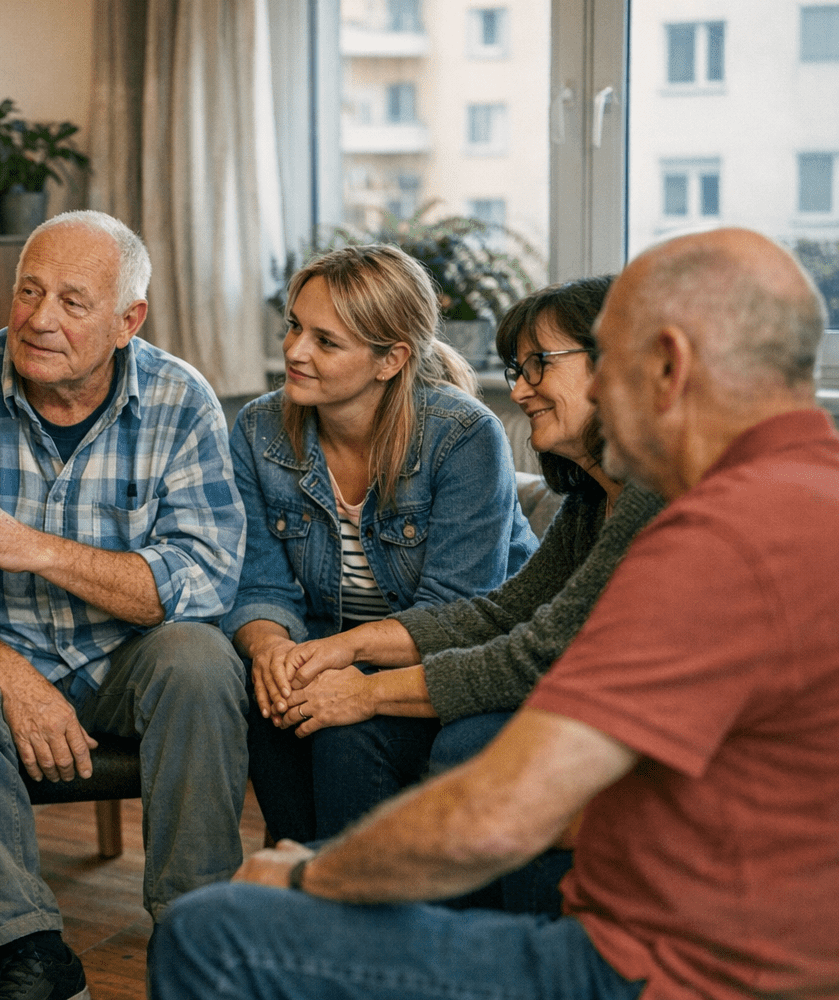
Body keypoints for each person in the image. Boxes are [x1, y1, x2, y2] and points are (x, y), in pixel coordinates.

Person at [148, 227, 839, 1000]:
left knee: (210, 932)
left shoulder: (718, 538)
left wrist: (309, 874)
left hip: (660, 968)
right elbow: (520, 623)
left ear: (668, 366)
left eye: (602, 363)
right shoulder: (803, 494)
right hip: (691, 929)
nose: (539, 390)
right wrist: (350, 653)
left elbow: (497, 814)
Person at [0, 211, 248, 1000]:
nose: (38, 319)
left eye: (73, 301)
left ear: (127, 320)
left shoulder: (180, 400)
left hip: (125, 662)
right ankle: (30, 950)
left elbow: (205, 578)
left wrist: (34, 547)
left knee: (202, 659)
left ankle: (195, 930)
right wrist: (10, 676)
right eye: (28, 291)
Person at [253, 276, 666, 914]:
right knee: (309, 717)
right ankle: (342, 931)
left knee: (466, 742)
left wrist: (365, 688)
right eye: (516, 368)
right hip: (572, 700)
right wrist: (346, 648)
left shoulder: (651, 493)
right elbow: (502, 612)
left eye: (539, 365)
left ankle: (461, 950)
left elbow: (535, 654)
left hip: (642, 727)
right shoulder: (591, 499)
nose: (522, 388)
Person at [226, 243, 539, 847]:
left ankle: (351, 914)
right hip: (329, 650)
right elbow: (257, 582)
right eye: (294, 326)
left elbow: (455, 614)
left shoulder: (464, 436)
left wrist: (333, 659)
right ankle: (294, 888)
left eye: (326, 341)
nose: (294, 351)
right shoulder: (259, 430)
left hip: (443, 668)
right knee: (268, 701)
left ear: (390, 360)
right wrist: (271, 650)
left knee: (343, 729)